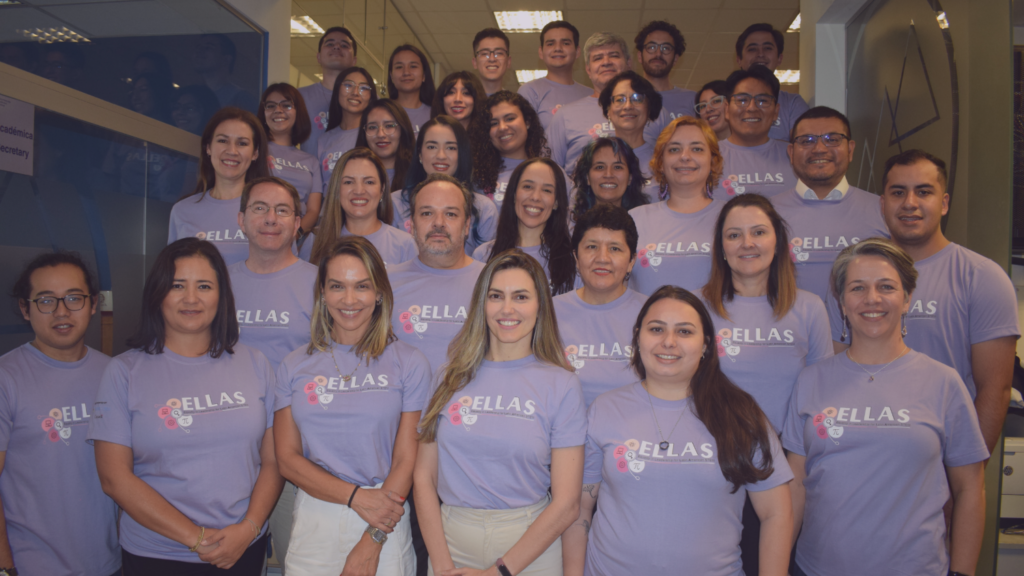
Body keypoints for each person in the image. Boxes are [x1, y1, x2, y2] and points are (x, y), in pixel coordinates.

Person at [785, 238, 987, 576]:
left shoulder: (944, 383)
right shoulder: (811, 380)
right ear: (842, 303)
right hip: (816, 568)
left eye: (886, 287)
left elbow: (970, 489)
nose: (872, 299)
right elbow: (795, 486)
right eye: (858, 288)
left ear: (907, 298)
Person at [563, 286, 793, 576]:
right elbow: (579, 508)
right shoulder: (604, 409)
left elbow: (776, 513)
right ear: (637, 336)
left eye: (684, 332)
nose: (668, 342)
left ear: (706, 344)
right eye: (656, 329)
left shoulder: (741, 414)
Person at [88, 238, 283, 574]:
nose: (191, 298)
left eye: (204, 286)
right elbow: (114, 478)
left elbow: (273, 460)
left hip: (242, 547)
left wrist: (249, 528)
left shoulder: (255, 363)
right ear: (158, 293)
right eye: (178, 285)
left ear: (221, 295)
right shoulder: (123, 372)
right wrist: (196, 539)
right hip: (158, 554)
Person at [828, 150, 1019, 454]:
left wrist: (966, 476)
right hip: (861, 449)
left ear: (944, 203)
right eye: (898, 192)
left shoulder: (982, 278)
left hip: (941, 458)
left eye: (924, 192)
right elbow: (836, 372)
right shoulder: (852, 276)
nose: (910, 203)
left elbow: (995, 390)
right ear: (882, 203)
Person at [414, 249, 586, 576]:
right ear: (482, 304)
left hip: (529, 550)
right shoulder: (448, 377)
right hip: (451, 541)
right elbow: (424, 477)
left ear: (540, 306)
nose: (507, 309)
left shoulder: (562, 385)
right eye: (496, 296)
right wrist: (441, 565)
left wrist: (498, 573)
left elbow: (567, 504)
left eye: (520, 296)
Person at [275, 237, 429, 576]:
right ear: (322, 294)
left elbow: (406, 459)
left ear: (379, 294)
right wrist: (355, 498)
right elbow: (287, 459)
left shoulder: (409, 363)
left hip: (385, 518)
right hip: (315, 517)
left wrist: (372, 539)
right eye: (337, 287)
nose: (349, 299)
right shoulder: (294, 365)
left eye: (362, 286)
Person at [701, 194, 831, 576]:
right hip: (711, 467)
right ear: (721, 249)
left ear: (778, 242)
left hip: (786, 471)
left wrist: (796, 472)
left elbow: (818, 401)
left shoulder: (809, 309)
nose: (747, 243)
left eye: (758, 232)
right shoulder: (697, 308)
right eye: (734, 235)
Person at [0, 252, 120, 576]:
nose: (62, 311)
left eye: (73, 298)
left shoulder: (115, 374)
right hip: (31, 566)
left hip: (110, 563)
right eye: (46, 301)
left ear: (93, 303)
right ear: (25, 308)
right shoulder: (6, 378)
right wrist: (5, 564)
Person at [228, 176, 317, 569]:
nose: (271, 218)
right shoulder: (218, 284)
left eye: (282, 210)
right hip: (229, 446)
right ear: (241, 219)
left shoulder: (319, 283)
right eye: (260, 208)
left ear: (298, 223)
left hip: (294, 450)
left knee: (292, 558)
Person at [772, 106, 888, 307]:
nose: (819, 148)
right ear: (791, 152)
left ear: (850, 149)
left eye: (832, 139)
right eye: (806, 140)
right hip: (788, 335)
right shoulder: (766, 214)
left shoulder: (883, 210)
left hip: (862, 336)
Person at [388, 174, 486, 373]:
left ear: (467, 225)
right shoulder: (386, 282)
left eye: (450, 214)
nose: (438, 223)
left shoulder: (492, 282)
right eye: (427, 213)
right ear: (412, 225)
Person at [554, 205, 646, 405]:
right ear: (576, 258)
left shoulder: (653, 314)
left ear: (631, 261)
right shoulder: (549, 313)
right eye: (591, 247)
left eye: (615, 248)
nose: (602, 258)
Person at [547, 32, 669, 176]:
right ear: (588, 70)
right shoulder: (564, 116)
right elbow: (552, 174)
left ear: (629, 63)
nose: (606, 62)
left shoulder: (656, 112)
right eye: (598, 58)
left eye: (614, 55)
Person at [629, 116, 724, 295]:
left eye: (697, 149)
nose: (685, 157)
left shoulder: (731, 218)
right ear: (661, 163)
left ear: (712, 161)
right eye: (674, 149)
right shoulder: (634, 219)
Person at [169, 107, 271, 266]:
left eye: (242, 143)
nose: (232, 151)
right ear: (208, 147)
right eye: (223, 141)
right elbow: (173, 274)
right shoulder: (182, 211)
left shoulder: (271, 212)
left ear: (255, 153)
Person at [393, 115, 498, 257]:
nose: (441, 155)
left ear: (462, 154)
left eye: (451, 147)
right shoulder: (395, 203)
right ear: (419, 154)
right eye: (431, 146)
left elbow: (487, 267)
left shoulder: (484, 208)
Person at [473, 158, 575, 296]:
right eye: (527, 186)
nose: (535, 197)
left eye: (546, 190)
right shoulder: (483, 255)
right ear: (514, 194)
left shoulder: (573, 260)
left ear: (556, 202)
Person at [308, 148, 417, 267]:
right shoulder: (315, 240)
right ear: (337, 189)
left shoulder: (406, 245)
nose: (359, 191)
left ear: (382, 190)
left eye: (369, 182)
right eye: (348, 182)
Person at [711, 66, 796, 201]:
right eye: (742, 100)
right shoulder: (708, 156)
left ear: (776, 112)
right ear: (727, 109)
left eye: (762, 100)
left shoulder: (794, 156)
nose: (752, 108)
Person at [259, 83, 323, 237]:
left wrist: (295, 235)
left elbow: (313, 210)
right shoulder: (255, 151)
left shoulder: (311, 161)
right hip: (261, 232)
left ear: (298, 112)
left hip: (297, 240)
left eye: (286, 105)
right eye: (271, 106)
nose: (278, 110)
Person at [470, 91, 550, 209]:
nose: (502, 127)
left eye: (510, 118)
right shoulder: (476, 176)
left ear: (527, 122)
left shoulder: (549, 172)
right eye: (494, 123)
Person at [735, 23, 809, 143]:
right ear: (739, 59)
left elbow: (804, 146)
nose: (760, 54)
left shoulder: (793, 104)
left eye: (767, 48)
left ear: (779, 58)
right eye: (752, 49)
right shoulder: (723, 101)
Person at [517, 21, 592, 130]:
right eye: (550, 44)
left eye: (566, 43)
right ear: (541, 52)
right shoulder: (529, 91)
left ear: (577, 51)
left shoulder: (591, 94)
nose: (558, 48)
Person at [598, 71, 663, 198]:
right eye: (619, 99)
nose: (628, 106)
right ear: (608, 110)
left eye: (637, 99)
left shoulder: (662, 161)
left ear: (649, 109)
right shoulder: (594, 158)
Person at [299, 27, 359, 154]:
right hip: (312, 173)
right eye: (330, 44)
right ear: (319, 57)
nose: (336, 47)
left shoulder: (367, 98)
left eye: (344, 45)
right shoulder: (299, 97)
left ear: (354, 60)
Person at [318, 67, 377, 190]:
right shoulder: (324, 139)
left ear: (371, 96)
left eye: (364, 88)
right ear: (337, 90)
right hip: (328, 208)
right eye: (348, 85)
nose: (355, 92)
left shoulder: (374, 136)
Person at [569, 137, 650, 225]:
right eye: (600, 167)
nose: (608, 175)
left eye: (617, 167)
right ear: (587, 177)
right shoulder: (570, 227)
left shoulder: (645, 223)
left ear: (630, 178)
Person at [634, 20, 696, 120]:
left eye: (666, 48)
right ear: (640, 56)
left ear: (675, 59)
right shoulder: (627, 101)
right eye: (651, 47)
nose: (658, 53)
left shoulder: (693, 100)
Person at [356, 99, 416, 193]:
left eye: (389, 126)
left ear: (403, 130)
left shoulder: (418, 174)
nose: (380, 134)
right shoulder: (352, 173)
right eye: (372, 127)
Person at [192, 34, 257, 112]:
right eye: (198, 47)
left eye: (208, 47)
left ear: (226, 59)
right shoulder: (191, 96)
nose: (199, 51)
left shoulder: (241, 99)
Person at [388, 45, 435, 136]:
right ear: (391, 76)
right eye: (399, 67)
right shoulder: (381, 111)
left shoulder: (435, 115)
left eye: (413, 66)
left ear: (424, 75)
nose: (406, 72)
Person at [471, 28, 512, 96]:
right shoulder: (464, 104)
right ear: (474, 62)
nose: (492, 59)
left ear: (508, 61)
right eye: (484, 54)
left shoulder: (515, 105)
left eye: (499, 53)